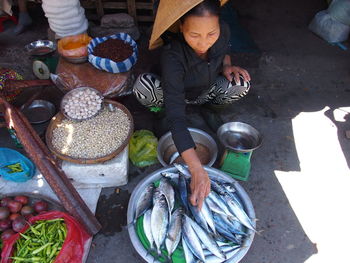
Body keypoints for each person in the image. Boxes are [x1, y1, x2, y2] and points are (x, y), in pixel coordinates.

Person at [133, 0, 251, 209]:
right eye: (194, 35)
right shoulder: (173, 54)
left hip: (204, 93)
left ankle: (208, 110)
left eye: (211, 34)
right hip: (171, 97)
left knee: (240, 83)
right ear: (181, 27)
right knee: (144, 86)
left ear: (218, 26)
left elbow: (224, 49)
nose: (204, 42)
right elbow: (177, 117)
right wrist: (197, 169)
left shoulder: (224, 31)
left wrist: (226, 66)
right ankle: (160, 114)